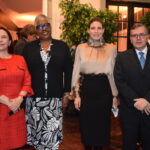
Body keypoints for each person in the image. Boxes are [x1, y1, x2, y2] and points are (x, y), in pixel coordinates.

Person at [23, 14, 73, 150]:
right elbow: (24, 74)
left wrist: (67, 94)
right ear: (36, 30)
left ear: (50, 27)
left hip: (55, 100)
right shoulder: (28, 48)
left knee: (52, 138)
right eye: (39, 26)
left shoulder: (62, 46)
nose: (43, 29)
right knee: (38, 137)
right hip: (33, 101)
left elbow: (69, 72)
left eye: (46, 25)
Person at [72, 17, 118, 150]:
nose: (96, 31)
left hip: (105, 89)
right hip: (87, 89)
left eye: (99, 28)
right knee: (86, 125)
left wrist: (115, 95)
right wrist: (76, 95)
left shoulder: (111, 48)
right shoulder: (81, 48)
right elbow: (76, 72)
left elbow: (113, 73)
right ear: (88, 30)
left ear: (103, 30)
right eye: (93, 28)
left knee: (102, 125)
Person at [114, 23, 150, 150]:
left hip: (149, 109)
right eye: (134, 35)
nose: (138, 38)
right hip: (129, 110)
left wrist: (147, 100)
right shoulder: (122, 57)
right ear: (130, 39)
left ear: (148, 37)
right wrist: (136, 101)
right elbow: (120, 81)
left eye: (141, 34)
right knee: (128, 145)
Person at [0, 26, 33, 150]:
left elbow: (27, 80)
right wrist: (5, 100)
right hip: (2, 108)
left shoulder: (20, 59)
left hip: (17, 110)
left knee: (18, 143)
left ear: (9, 41)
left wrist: (20, 98)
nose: (1, 40)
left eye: (4, 37)